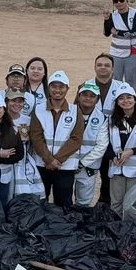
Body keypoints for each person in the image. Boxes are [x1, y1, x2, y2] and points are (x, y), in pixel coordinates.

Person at [104, 84, 136, 215]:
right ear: (117, 102)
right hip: (117, 171)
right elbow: (106, 145)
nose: (125, 101)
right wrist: (112, 156)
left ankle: (130, 232)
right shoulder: (111, 121)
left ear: (135, 99)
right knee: (116, 203)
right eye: (121, 98)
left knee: (133, 204)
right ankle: (115, 230)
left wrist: (132, 151)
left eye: (129, 97)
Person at [29, 72, 80, 207]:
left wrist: (57, 160)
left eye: (61, 87)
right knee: (39, 203)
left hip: (65, 167)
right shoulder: (38, 109)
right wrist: (49, 160)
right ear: (49, 88)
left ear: (67, 88)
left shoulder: (75, 111)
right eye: (54, 86)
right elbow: (36, 137)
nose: (57, 90)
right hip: (42, 165)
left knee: (64, 205)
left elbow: (76, 139)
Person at [103, 0, 136, 89]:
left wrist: (118, 32)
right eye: (116, 1)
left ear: (127, 1)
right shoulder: (112, 15)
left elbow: (135, 31)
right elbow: (107, 33)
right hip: (116, 52)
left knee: (131, 81)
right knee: (115, 81)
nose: (119, 3)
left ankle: (132, 102)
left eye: (121, 0)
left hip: (134, 51)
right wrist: (106, 19)